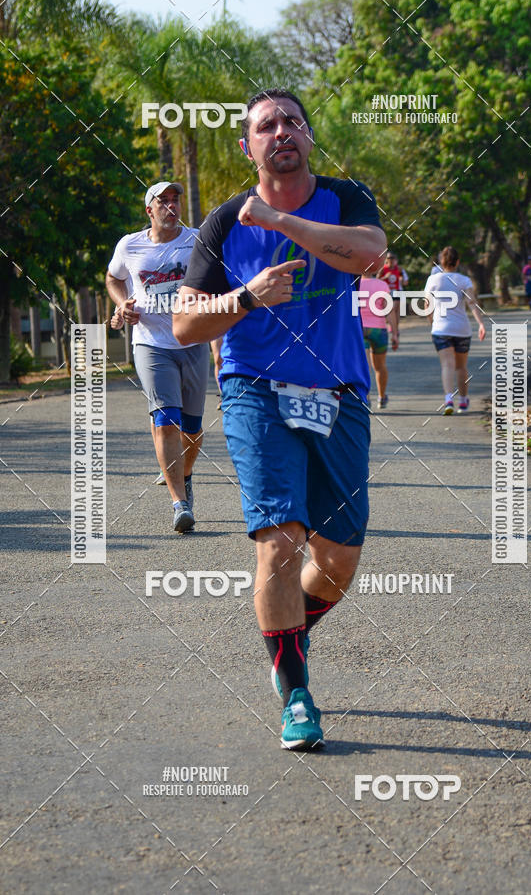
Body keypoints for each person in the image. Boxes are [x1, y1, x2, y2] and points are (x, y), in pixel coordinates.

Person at [173, 88, 386, 750]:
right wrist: (246, 296)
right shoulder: (221, 224)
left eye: (293, 122)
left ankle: (283, 637)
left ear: (309, 137)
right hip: (255, 390)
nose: (282, 132)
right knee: (281, 538)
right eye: (267, 126)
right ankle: (295, 690)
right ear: (249, 145)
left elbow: (368, 254)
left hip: (339, 394)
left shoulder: (347, 197)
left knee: (339, 560)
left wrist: (281, 222)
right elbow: (184, 322)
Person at [106, 181, 209, 533]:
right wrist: (122, 306)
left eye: (175, 200)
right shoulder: (130, 245)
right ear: (148, 210)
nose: (171, 206)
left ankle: (186, 473)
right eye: (162, 202)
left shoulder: (197, 240)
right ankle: (180, 503)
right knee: (166, 419)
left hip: (193, 341)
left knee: (193, 430)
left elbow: (216, 279)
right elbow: (113, 278)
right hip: (150, 344)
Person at [424, 245, 486, 415]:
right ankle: (464, 400)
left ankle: (448, 398)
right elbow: (472, 303)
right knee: (461, 367)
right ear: (457, 262)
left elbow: (427, 305)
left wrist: (432, 323)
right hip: (462, 328)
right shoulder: (464, 280)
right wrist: (481, 323)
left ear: (441, 262)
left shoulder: (433, 280)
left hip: (440, 328)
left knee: (447, 365)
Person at [359, 273, 398, 408]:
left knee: (365, 366)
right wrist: (394, 333)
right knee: (380, 367)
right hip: (379, 330)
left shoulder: (355, 284)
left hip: (360, 329)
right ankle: (381, 398)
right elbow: (389, 310)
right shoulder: (382, 285)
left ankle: (366, 398)